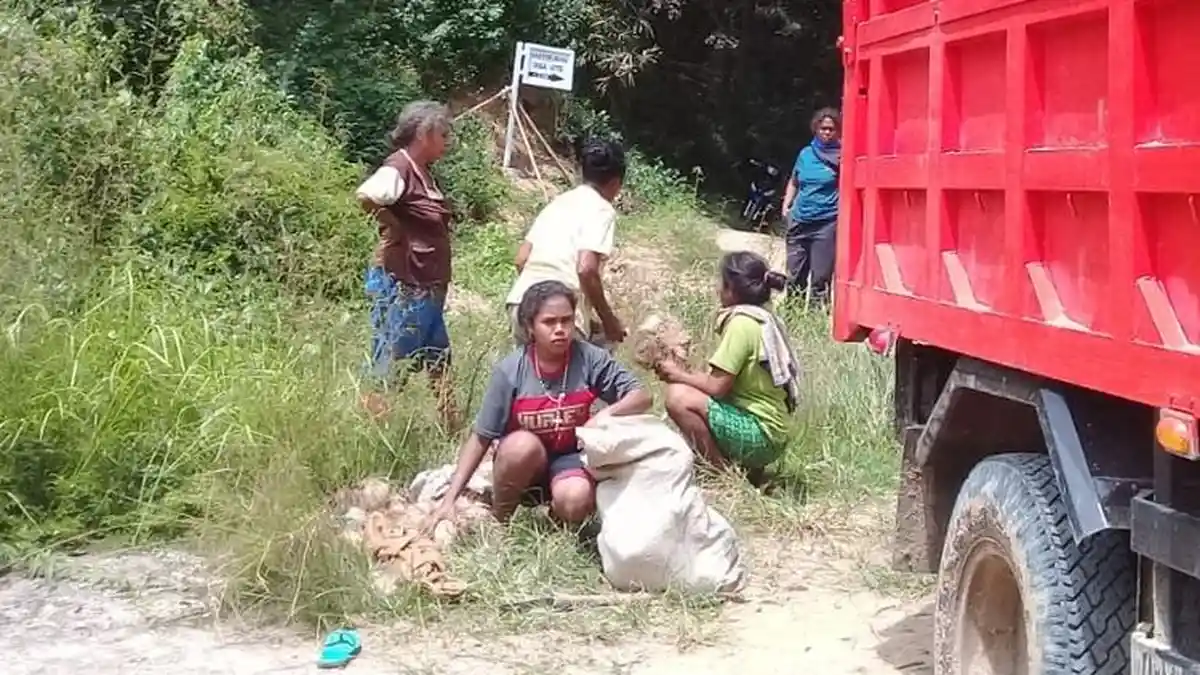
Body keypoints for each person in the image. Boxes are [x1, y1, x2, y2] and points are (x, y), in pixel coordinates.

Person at [430, 280, 652, 526]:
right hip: (522, 467)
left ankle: (558, 519)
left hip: (571, 459)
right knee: (521, 446)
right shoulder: (511, 370)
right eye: (549, 322)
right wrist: (450, 498)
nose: (560, 329)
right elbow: (481, 436)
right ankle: (501, 519)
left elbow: (641, 396)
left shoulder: (590, 358)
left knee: (576, 498)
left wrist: (605, 415)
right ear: (530, 327)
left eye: (566, 320)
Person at [356, 101, 458, 426]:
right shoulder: (398, 168)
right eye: (442, 134)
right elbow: (366, 196)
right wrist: (393, 226)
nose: (446, 141)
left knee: (439, 359)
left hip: (426, 287)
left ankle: (452, 432)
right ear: (424, 133)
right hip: (406, 287)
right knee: (391, 363)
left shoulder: (423, 173)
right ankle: (376, 434)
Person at [656, 251, 800, 476]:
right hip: (775, 430)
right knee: (692, 394)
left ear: (731, 289)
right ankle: (748, 468)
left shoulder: (741, 324)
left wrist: (678, 374)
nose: (717, 289)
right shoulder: (762, 318)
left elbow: (716, 387)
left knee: (678, 397)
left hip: (760, 433)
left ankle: (721, 472)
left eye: (721, 283)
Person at [505, 138, 628, 348]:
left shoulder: (559, 203)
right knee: (581, 375)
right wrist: (609, 321)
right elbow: (586, 269)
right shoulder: (601, 209)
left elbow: (521, 259)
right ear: (616, 183)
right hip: (559, 311)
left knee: (530, 377)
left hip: (520, 302)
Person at [781, 107, 842, 308]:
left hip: (826, 223)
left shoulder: (842, 157)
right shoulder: (806, 153)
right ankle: (793, 317)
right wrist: (786, 206)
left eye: (831, 129)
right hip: (799, 221)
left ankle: (815, 323)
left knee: (820, 278)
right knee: (794, 274)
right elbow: (794, 181)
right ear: (815, 128)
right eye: (823, 128)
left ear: (837, 131)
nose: (826, 132)